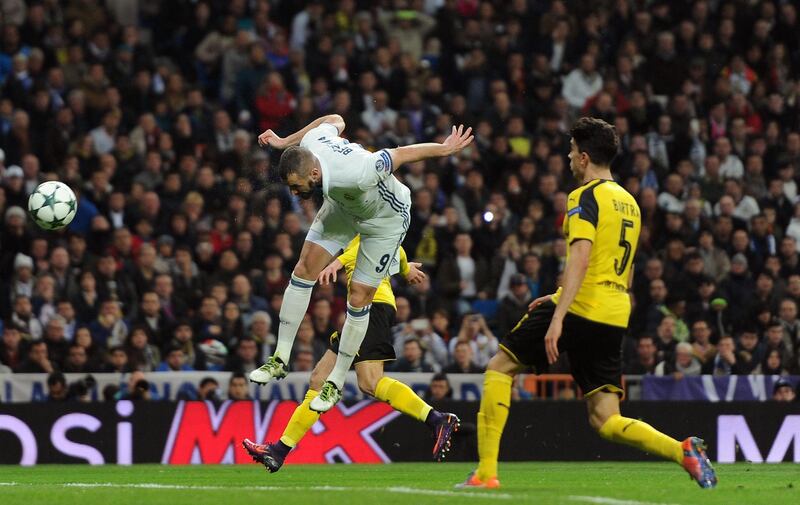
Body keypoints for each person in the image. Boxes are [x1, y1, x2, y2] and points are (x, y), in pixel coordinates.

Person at [458, 118, 717, 490]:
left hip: (581, 306)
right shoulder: (630, 202)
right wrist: (557, 296)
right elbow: (623, 271)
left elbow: (581, 257)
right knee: (605, 419)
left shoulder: (584, 196)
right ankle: (682, 450)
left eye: (569, 151)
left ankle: (485, 473)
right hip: (614, 314)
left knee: (499, 368)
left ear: (583, 157)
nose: (566, 157)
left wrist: (559, 315)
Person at [247, 113, 473, 413]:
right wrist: (284, 142)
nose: (293, 192)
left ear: (314, 174)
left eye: (295, 185)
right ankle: (279, 358)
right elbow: (336, 118)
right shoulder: (314, 143)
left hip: (385, 219)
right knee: (303, 271)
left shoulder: (358, 171)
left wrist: (444, 149)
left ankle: (335, 381)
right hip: (344, 207)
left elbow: (400, 154)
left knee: (358, 297)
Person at [243, 235, 459, 472]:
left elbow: (363, 249)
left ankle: (437, 419)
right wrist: (406, 270)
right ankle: (279, 451)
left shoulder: (363, 229)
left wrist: (336, 263)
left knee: (370, 382)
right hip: (360, 313)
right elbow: (397, 251)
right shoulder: (375, 232)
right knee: (319, 379)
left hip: (372, 307)